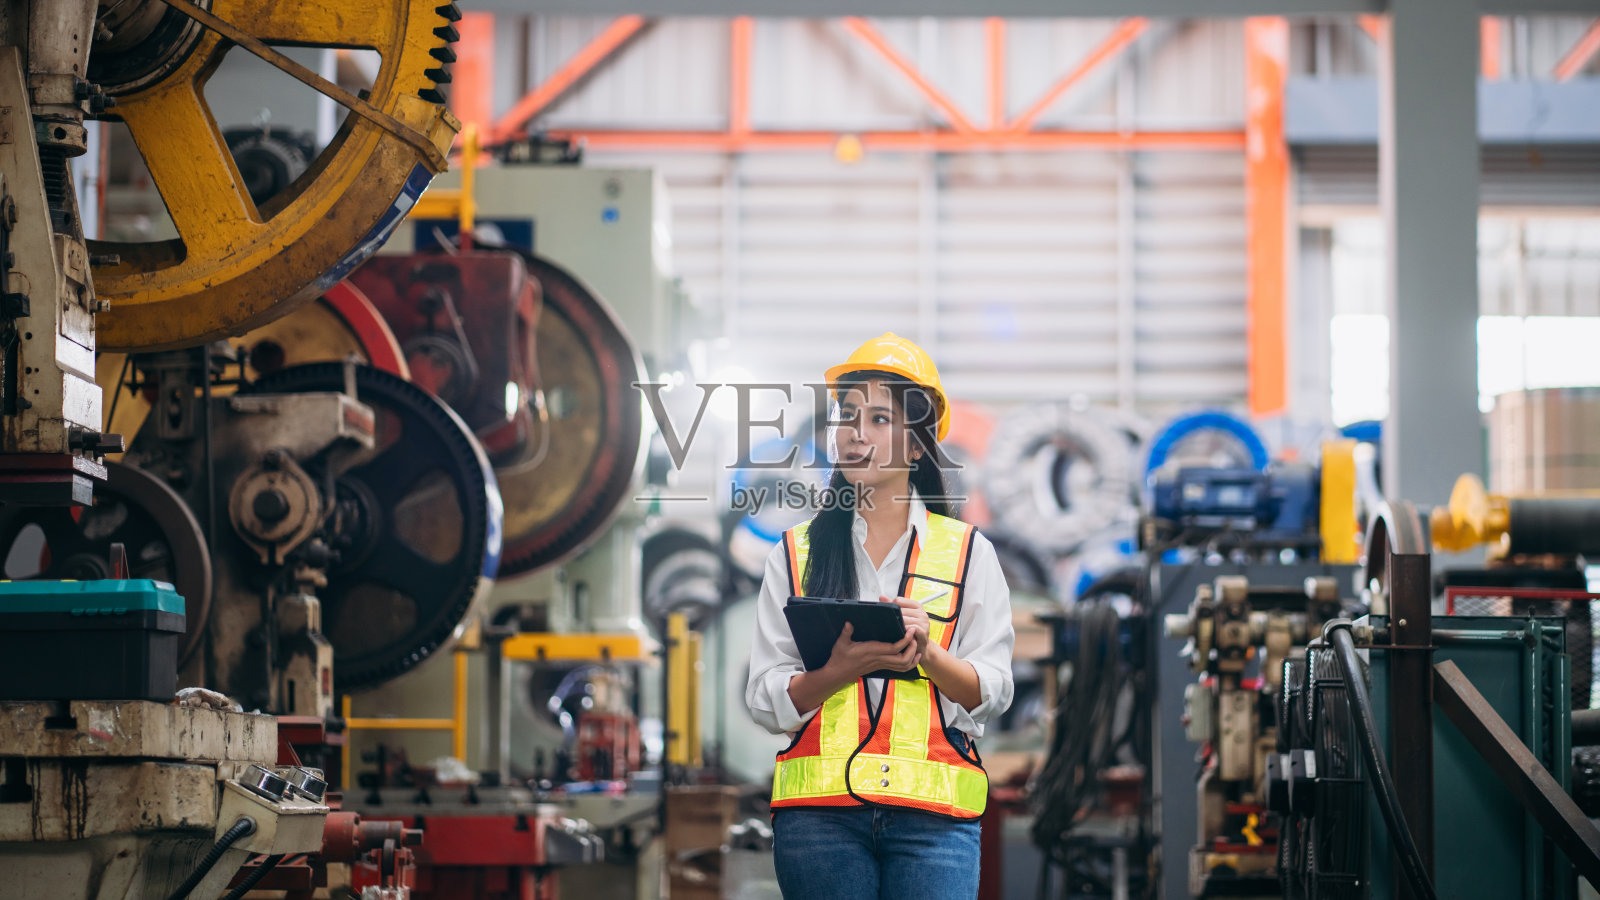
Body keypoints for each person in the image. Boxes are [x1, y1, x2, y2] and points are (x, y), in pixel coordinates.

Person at [745, 333, 1016, 900]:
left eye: (878, 419)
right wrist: (835, 673)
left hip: (934, 823)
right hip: (819, 822)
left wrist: (930, 654)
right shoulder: (794, 553)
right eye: (847, 416)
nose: (855, 433)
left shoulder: (969, 554)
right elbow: (765, 697)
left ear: (916, 447)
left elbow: (992, 690)